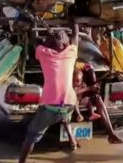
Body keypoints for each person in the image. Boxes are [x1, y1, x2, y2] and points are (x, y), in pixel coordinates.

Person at [19, 24, 79, 163]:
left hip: (49, 107)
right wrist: (74, 22)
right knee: (64, 114)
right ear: (65, 44)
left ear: (49, 44)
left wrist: (34, 26)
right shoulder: (71, 52)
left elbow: (34, 40)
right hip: (70, 103)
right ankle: (72, 139)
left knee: (31, 136)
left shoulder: (44, 53)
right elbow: (75, 36)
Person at [74, 62, 123, 144]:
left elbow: (89, 71)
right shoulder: (67, 67)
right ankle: (73, 138)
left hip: (82, 96)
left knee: (97, 98)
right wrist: (89, 88)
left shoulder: (83, 66)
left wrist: (94, 87)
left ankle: (111, 133)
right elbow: (71, 93)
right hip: (69, 100)